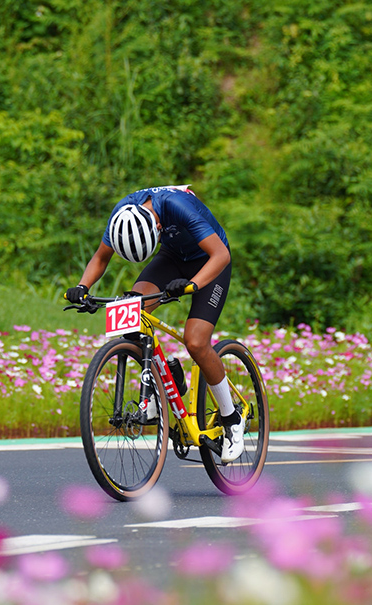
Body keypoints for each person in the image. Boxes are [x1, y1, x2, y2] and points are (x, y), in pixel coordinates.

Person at [65, 184, 245, 462]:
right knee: (131, 313)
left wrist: (193, 284)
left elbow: (221, 256)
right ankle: (164, 377)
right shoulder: (122, 214)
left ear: (157, 226)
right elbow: (101, 258)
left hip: (210, 259)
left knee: (196, 342)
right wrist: (82, 287)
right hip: (172, 257)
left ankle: (231, 418)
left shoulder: (177, 207)